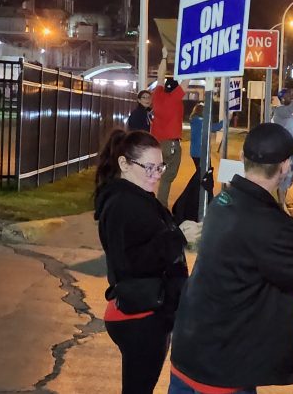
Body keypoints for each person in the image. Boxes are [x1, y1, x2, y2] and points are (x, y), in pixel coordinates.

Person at [168, 122, 293, 394]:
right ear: (285, 166)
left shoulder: (228, 201)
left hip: (193, 354)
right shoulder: (261, 220)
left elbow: (283, 236)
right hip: (222, 370)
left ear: (243, 159)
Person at [94, 129, 201, 394]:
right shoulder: (122, 204)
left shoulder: (140, 197)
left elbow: (167, 223)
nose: (157, 174)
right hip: (139, 315)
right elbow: (130, 263)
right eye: (149, 167)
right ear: (124, 164)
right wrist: (177, 239)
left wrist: (200, 186)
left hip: (150, 311)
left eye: (160, 167)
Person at [151, 48, 189, 207]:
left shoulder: (157, 95)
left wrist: (164, 57)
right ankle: (161, 206)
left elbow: (160, 77)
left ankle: (147, 202)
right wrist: (190, 59)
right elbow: (186, 81)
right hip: (171, 144)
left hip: (155, 142)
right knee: (167, 178)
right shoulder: (175, 98)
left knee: (152, 175)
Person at [188, 102, 223, 170]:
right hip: (201, 153)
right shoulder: (202, 122)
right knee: (206, 174)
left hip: (194, 152)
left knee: (200, 173)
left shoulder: (194, 120)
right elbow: (216, 127)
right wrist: (225, 120)